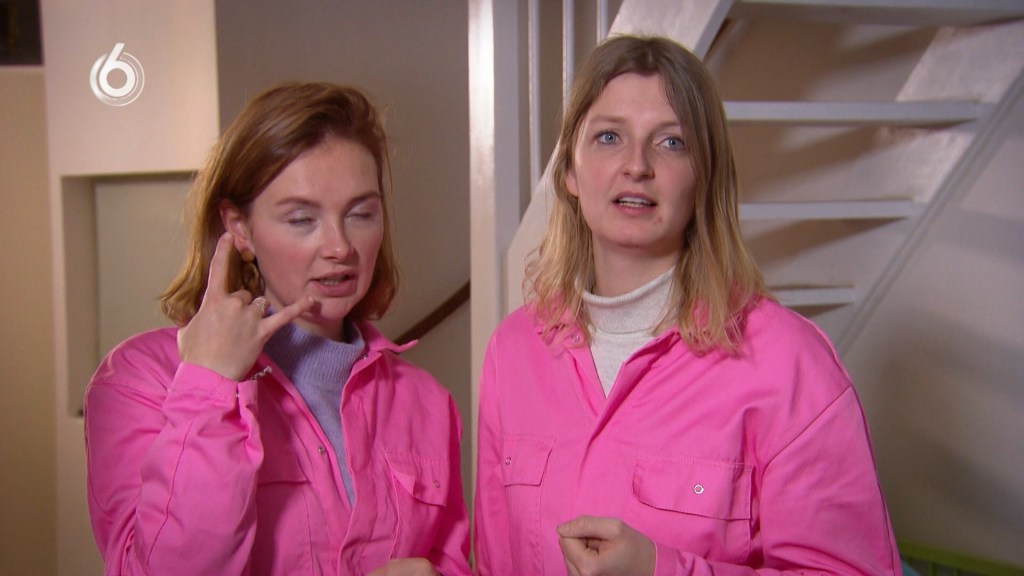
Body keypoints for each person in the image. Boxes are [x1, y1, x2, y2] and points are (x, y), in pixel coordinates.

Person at [473, 35, 901, 575]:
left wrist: (663, 571)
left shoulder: (789, 363)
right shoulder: (513, 352)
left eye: (671, 143)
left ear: (704, 177)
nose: (637, 165)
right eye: (609, 137)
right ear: (570, 173)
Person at [84, 82, 471, 576]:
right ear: (239, 229)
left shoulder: (425, 400)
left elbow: (448, 561)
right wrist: (209, 386)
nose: (339, 246)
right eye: (302, 219)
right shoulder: (142, 379)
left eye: (360, 214)